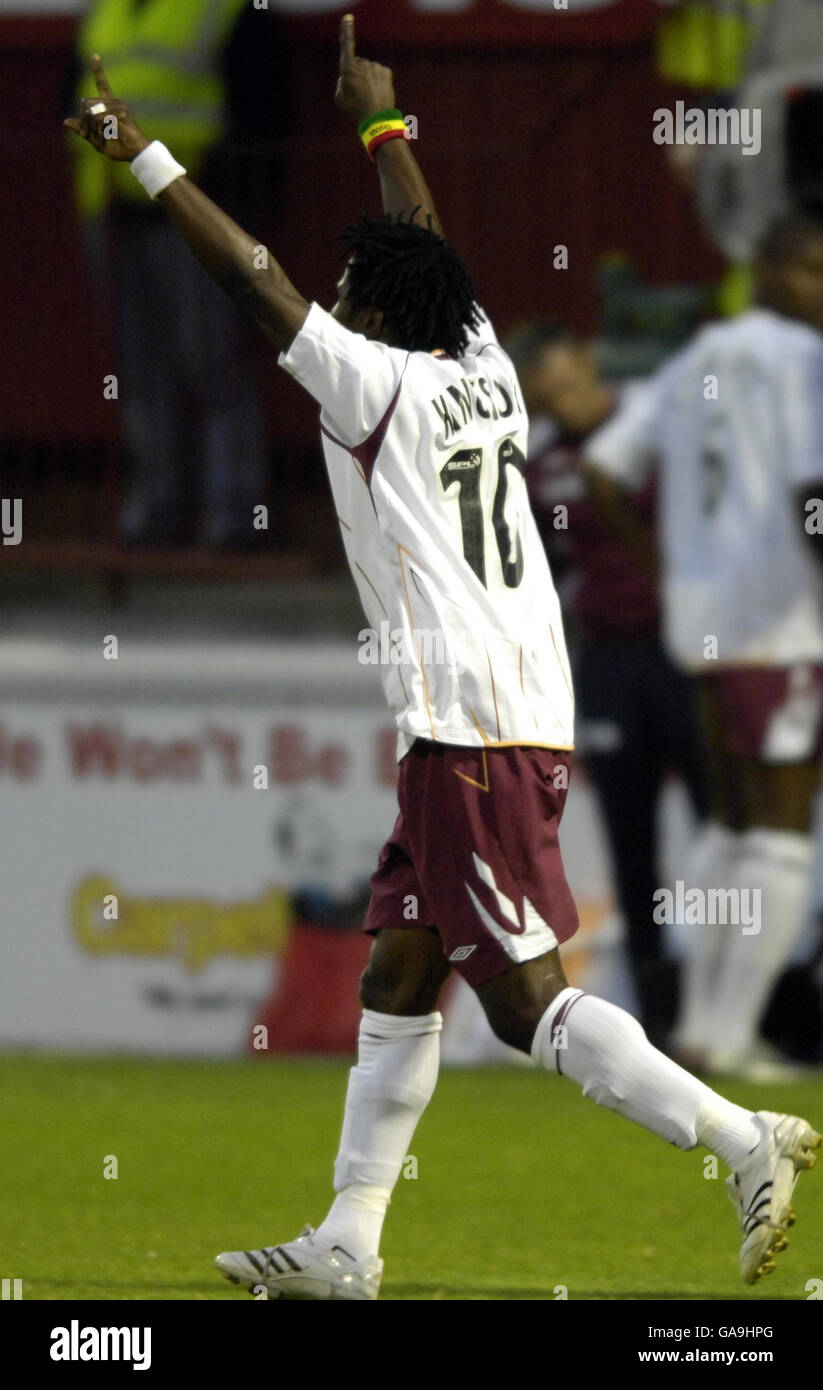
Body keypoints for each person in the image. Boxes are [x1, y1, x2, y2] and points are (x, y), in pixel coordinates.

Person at [65, 18, 820, 1301]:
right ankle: (351, 1241)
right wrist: (382, 126)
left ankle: (743, 1138)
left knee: (524, 1002)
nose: (339, 296)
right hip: (492, 710)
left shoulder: (374, 382)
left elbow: (256, 284)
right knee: (399, 972)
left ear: (374, 311)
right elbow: (431, 255)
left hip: (474, 718)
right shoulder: (484, 366)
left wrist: (142, 154)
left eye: (354, 287)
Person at [585, 213, 823, 1083]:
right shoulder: (803, 362)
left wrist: (668, 567)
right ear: (766, 269)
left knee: (729, 823)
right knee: (783, 826)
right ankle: (726, 1038)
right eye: (809, 271)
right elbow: (812, 492)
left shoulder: (694, 360)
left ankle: (697, 1033)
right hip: (779, 619)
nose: (818, 291)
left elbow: (605, 469)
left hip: (700, 624)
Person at [506, 324, 709, 1047]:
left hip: (685, 654)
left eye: (561, 377)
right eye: (540, 389)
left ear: (588, 357)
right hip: (606, 661)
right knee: (631, 846)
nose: (554, 394)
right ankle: (658, 1013)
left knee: (723, 830)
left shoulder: (654, 424)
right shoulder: (535, 462)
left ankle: (734, 1003)